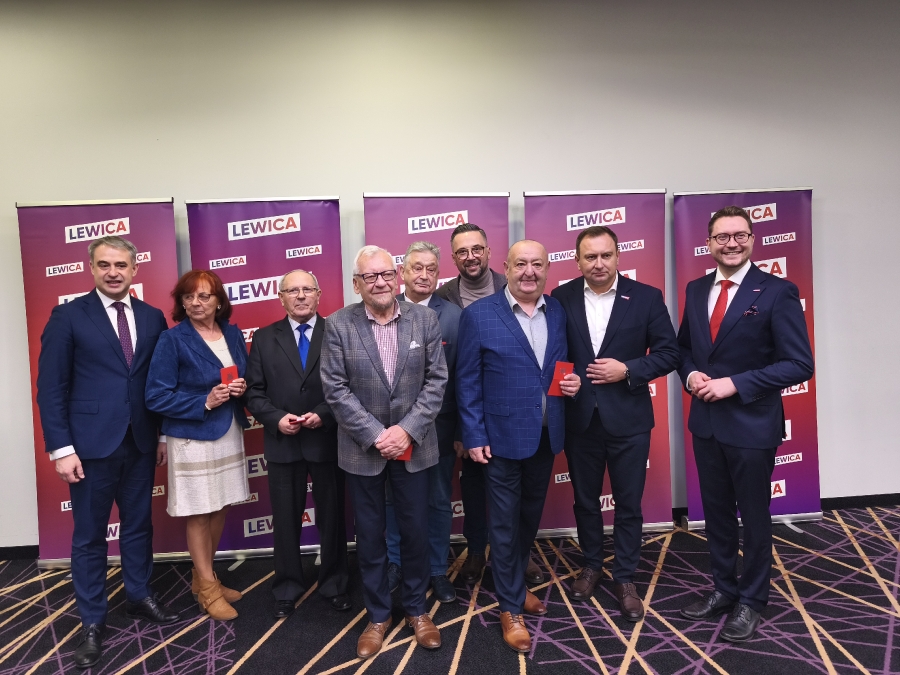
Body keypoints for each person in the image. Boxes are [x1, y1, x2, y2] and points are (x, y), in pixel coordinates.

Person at [36, 235, 178, 670]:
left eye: (120, 265)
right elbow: (51, 388)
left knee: (137, 526)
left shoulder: (152, 317)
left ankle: (138, 595)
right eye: (104, 265)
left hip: (140, 441)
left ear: (135, 269)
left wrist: (161, 437)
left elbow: (158, 382)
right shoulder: (68, 316)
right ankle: (93, 621)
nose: (113, 272)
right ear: (92, 268)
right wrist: (61, 449)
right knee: (90, 536)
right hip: (89, 446)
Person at [677, 205, 814, 642]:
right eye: (722, 236)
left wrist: (734, 384)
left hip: (752, 426)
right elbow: (684, 349)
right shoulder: (696, 289)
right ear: (709, 243)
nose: (731, 243)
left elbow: (799, 364)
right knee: (716, 514)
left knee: (754, 517)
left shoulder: (777, 291)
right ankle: (724, 589)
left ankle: (752, 600)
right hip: (706, 424)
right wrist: (691, 375)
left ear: (752, 240)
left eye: (739, 235)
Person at [321, 245, 448, 659]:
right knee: (371, 537)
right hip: (363, 450)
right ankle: (377, 615)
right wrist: (378, 435)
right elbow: (335, 389)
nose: (380, 282)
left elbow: (436, 381)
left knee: (415, 532)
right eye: (369, 277)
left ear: (397, 277)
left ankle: (416, 610)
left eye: (386, 274)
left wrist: (406, 431)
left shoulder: (425, 319)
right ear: (357, 284)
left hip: (414, 446)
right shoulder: (338, 324)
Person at [456, 240, 581, 653]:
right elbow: (467, 381)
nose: (529, 272)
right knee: (505, 525)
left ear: (547, 269)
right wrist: (474, 435)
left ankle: (513, 585)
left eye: (537, 264)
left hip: (546, 435)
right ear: (506, 268)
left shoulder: (557, 311)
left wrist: (572, 381)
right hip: (499, 440)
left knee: (529, 518)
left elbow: (558, 367)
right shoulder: (479, 315)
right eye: (521, 264)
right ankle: (510, 607)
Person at [551, 225, 680, 620]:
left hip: (629, 419)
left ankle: (625, 576)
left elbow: (670, 353)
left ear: (618, 257)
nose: (599, 263)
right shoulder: (561, 297)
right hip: (580, 419)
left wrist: (627, 369)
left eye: (606, 255)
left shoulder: (646, 297)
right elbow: (556, 354)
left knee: (628, 503)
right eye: (590, 256)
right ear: (577, 261)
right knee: (585, 501)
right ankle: (591, 565)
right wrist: (567, 379)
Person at [437, 224, 545, 585]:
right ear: (454, 258)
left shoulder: (515, 284)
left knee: (517, 495)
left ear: (489, 252)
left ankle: (518, 557)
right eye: (462, 251)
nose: (471, 257)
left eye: (477, 249)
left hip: (513, 415)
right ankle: (476, 551)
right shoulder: (443, 297)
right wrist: (464, 429)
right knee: (473, 489)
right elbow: (457, 372)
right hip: (467, 413)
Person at [145, 270, 251, 621]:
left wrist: (240, 387)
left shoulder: (232, 333)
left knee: (220, 505)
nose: (195, 303)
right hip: (192, 436)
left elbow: (245, 374)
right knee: (200, 511)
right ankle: (207, 588)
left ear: (218, 301)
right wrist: (203, 401)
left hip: (228, 431)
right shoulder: (172, 340)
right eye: (188, 297)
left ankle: (204, 578)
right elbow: (155, 396)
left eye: (204, 296)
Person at [245, 269, 350, 618]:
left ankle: (334, 583)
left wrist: (324, 414)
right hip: (283, 443)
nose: (301, 295)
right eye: (293, 290)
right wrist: (276, 418)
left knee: (333, 518)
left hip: (327, 440)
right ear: (281, 298)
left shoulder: (337, 331)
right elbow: (254, 392)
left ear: (319, 294)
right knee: (286, 519)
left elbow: (349, 384)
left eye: (307, 289)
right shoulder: (263, 338)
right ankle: (287, 587)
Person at [385, 241, 463, 604]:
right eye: (417, 268)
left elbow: (463, 378)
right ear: (402, 272)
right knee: (393, 500)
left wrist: (462, 431)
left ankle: (436, 569)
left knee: (438, 500)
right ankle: (396, 563)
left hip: (439, 428)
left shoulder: (454, 316)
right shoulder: (384, 309)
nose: (424, 275)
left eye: (431, 269)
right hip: (392, 430)